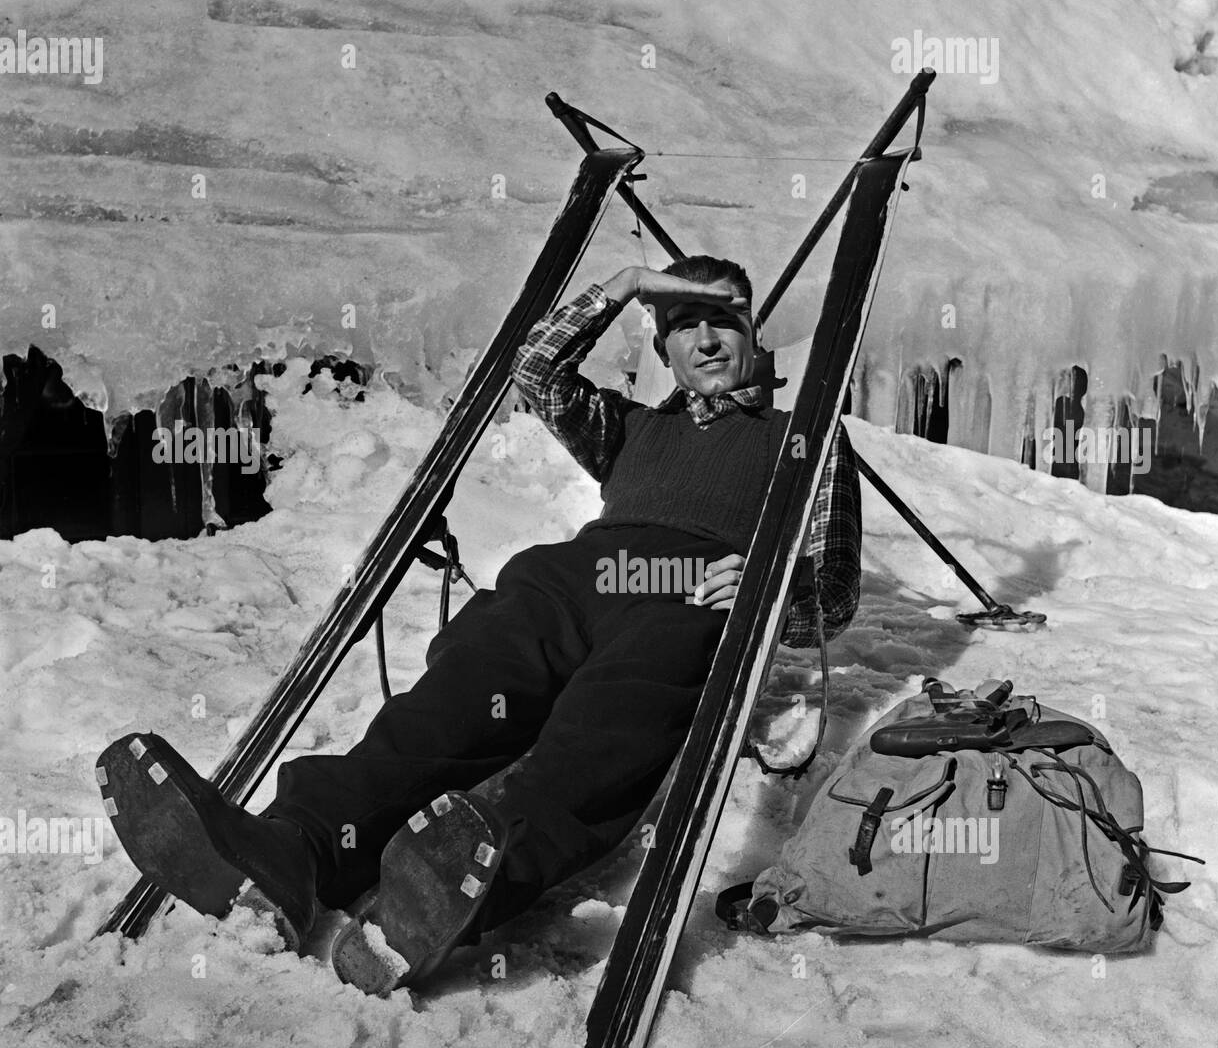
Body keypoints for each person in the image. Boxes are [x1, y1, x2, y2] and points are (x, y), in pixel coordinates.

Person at [97, 254, 862, 995]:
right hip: (570, 582)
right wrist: (623, 286)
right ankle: (295, 850)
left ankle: (442, 899)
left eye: (723, 318)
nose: (706, 339)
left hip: (689, 598)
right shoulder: (628, 426)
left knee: (604, 738)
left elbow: (831, 595)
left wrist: (768, 589)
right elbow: (534, 371)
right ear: (662, 344)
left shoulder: (805, 438)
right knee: (449, 706)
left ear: (755, 330)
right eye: (683, 322)